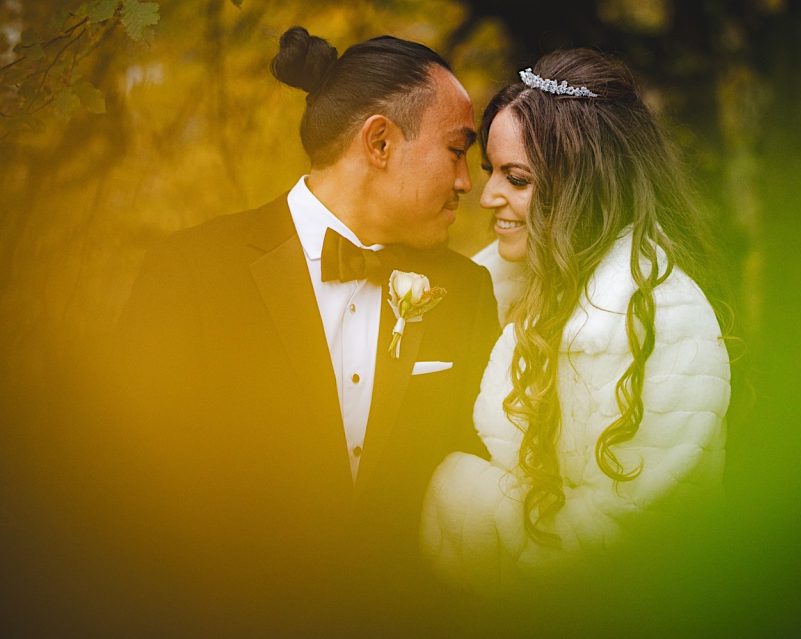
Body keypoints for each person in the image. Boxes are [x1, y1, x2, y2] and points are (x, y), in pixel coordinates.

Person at [109, 27, 500, 637]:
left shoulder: (467, 292)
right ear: (379, 141)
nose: (466, 183)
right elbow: (126, 493)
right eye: (456, 151)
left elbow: (481, 489)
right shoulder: (188, 274)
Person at [420, 48, 731, 601]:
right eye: (492, 172)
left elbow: (613, 546)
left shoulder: (654, 320)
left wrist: (453, 498)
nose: (488, 197)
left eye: (517, 179)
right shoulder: (503, 293)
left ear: (585, 183)